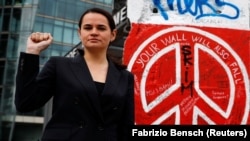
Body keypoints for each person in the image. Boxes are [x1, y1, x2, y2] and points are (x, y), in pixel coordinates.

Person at [15, 7, 134, 141]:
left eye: (101, 28)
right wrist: (32, 52)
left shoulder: (125, 77)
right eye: (88, 28)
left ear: (113, 34)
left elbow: (126, 126)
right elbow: (25, 103)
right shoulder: (59, 66)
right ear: (79, 33)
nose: (94, 32)